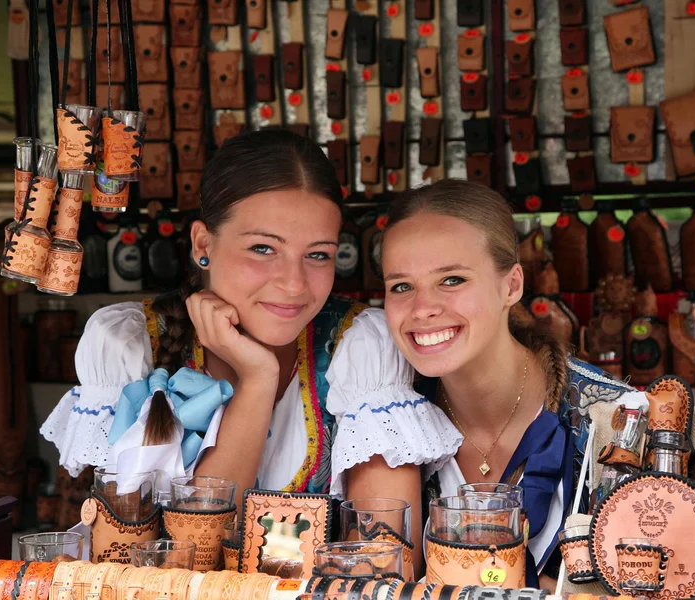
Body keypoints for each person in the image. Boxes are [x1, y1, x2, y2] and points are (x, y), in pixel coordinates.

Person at [41, 130, 434, 506]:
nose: (294, 284)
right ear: (203, 244)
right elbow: (127, 546)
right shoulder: (130, 346)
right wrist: (258, 380)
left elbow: (387, 553)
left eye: (318, 254)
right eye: (263, 248)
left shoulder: (362, 348)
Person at [330, 179, 643, 587]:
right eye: (401, 286)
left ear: (511, 285)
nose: (423, 308)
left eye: (452, 279)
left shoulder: (612, 419)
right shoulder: (389, 422)